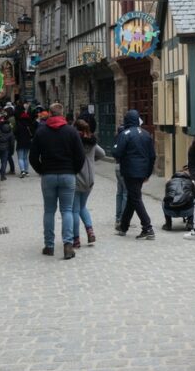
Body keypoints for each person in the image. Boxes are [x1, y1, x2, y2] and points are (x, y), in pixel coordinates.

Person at [29, 103, 85, 259]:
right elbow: (80, 156)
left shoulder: (41, 132)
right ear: (62, 114)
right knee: (66, 210)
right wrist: (73, 170)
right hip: (68, 175)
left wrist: (42, 170)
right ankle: (68, 244)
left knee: (49, 211)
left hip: (48, 175)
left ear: (49, 115)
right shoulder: (71, 131)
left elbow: (32, 157)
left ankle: (49, 246)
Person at [113, 109, 156, 240]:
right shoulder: (146, 134)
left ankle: (148, 227)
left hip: (130, 171)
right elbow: (152, 156)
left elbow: (116, 153)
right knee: (133, 197)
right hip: (142, 171)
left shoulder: (125, 134)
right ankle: (124, 226)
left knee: (136, 198)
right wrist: (148, 173)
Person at [72, 119, 105, 248]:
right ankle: (90, 231)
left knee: (74, 210)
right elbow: (102, 154)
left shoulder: (74, 142)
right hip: (89, 180)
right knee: (82, 207)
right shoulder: (92, 143)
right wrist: (91, 161)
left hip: (76, 179)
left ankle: (76, 239)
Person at [0, 116, 16, 181]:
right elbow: (12, 143)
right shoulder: (11, 133)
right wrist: (11, 151)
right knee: (4, 162)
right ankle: (3, 176)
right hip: (6, 149)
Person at [14, 108, 37, 177]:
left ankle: (22, 171)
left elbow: (15, 134)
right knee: (25, 157)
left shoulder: (19, 125)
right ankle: (27, 171)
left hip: (20, 143)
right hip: (28, 143)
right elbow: (33, 134)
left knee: (20, 158)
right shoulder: (30, 126)